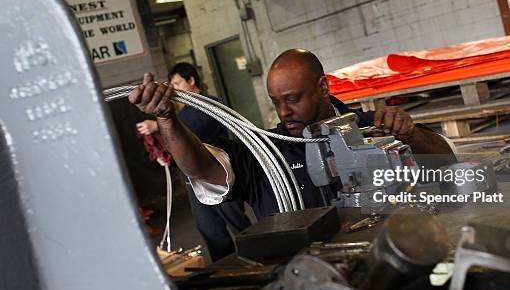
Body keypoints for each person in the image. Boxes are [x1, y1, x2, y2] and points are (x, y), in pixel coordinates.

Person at [129, 50, 456, 219]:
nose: (283, 112)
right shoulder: (266, 152)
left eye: (292, 99)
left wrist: (411, 134)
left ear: (323, 87)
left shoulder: (374, 127)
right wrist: (168, 120)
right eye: (276, 102)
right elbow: (203, 169)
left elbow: (446, 161)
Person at [136, 62, 251, 261]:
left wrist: (158, 125)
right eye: (173, 84)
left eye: (178, 83)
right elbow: (182, 148)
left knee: (238, 225)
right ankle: (226, 268)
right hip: (195, 182)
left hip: (219, 177)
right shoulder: (183, 113)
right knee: (209, 229)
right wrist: (168, 158)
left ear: (191, 80)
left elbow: (193, 133)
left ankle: (261, 257)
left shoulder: (208, 104)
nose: (176, 89)